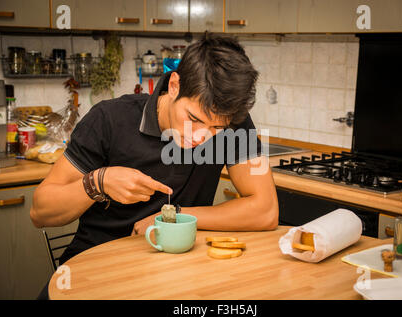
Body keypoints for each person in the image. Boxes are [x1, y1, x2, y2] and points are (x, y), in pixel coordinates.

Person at [31, 35, 279, 298]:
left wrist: (175, 218)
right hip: (97, 272)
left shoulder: (230, 120)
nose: (200, 136)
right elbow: (40, 212)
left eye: (217, 128)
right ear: (174, 85)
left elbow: (265, 210)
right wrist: (97, 182)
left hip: (179, 275)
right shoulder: (109, 119)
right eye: (193, 118)